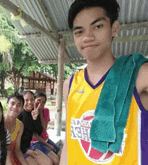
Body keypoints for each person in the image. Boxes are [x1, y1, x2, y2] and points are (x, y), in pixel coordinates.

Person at [59, 0, 148, 165]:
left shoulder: (138, 75)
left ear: (114, 28)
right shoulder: (69, 85)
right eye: (79, 32)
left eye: (97, 26)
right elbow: (69, 145)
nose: (88, 37)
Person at [17, 91, 53, 165]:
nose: (30, 102)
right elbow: (13, 139)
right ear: (22, 101)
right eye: (26, 100)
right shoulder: (19, 115)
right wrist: (25, 151)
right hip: (19, 150)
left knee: (49, 163)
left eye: (32, 99)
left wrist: (35, 118)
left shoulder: (33, 113)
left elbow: (39, 131)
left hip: (28, 147)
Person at [31, 93, 61, 165]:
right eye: (38, 100)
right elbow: (34, 135)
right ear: (34, 100)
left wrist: (40, 112)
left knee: (62, 154)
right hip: (35, 142)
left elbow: (44, 128)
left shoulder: (46, 111)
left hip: (46, 139)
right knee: (56, 160)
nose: (40, 103)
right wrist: (47, 145)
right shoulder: (30, 112)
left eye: (43, 102)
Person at [4, 93, 27, 165]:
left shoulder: (20, 125)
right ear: (6, 105)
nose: (15, 107)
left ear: (22, 109)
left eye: (19, 105)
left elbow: (17, 149)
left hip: (12, 158)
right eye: (12, 103)